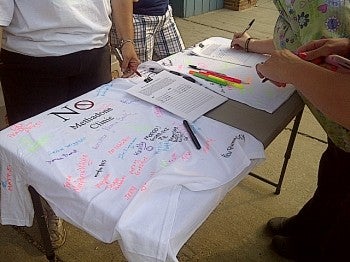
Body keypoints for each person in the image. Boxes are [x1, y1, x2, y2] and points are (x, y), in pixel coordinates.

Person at [0, 0, 140, 248]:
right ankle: (49, 206)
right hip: (34, 61)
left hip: (94, 54)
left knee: (93, 140)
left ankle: (88, 196)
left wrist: (127, 41)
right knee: (40, 155)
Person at [231, 1, 350, 260]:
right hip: (342, 137)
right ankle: (311, 227)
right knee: (334, 174)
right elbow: (295, 38)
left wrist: (294, 69)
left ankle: (316, 244)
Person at [109, 0, 185, 65]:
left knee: (180, 65)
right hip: (135, 18)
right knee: (139, 75)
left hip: (163, 12)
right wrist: (127, 41)